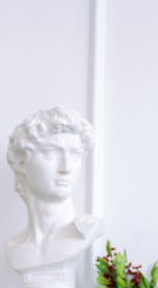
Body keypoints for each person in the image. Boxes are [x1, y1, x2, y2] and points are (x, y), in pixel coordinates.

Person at [5, 105, 102, 272]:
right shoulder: (15, 246)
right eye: (51, 153)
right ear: (21, 162)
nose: (66, 168)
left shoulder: (86, 231)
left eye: (75, 154)